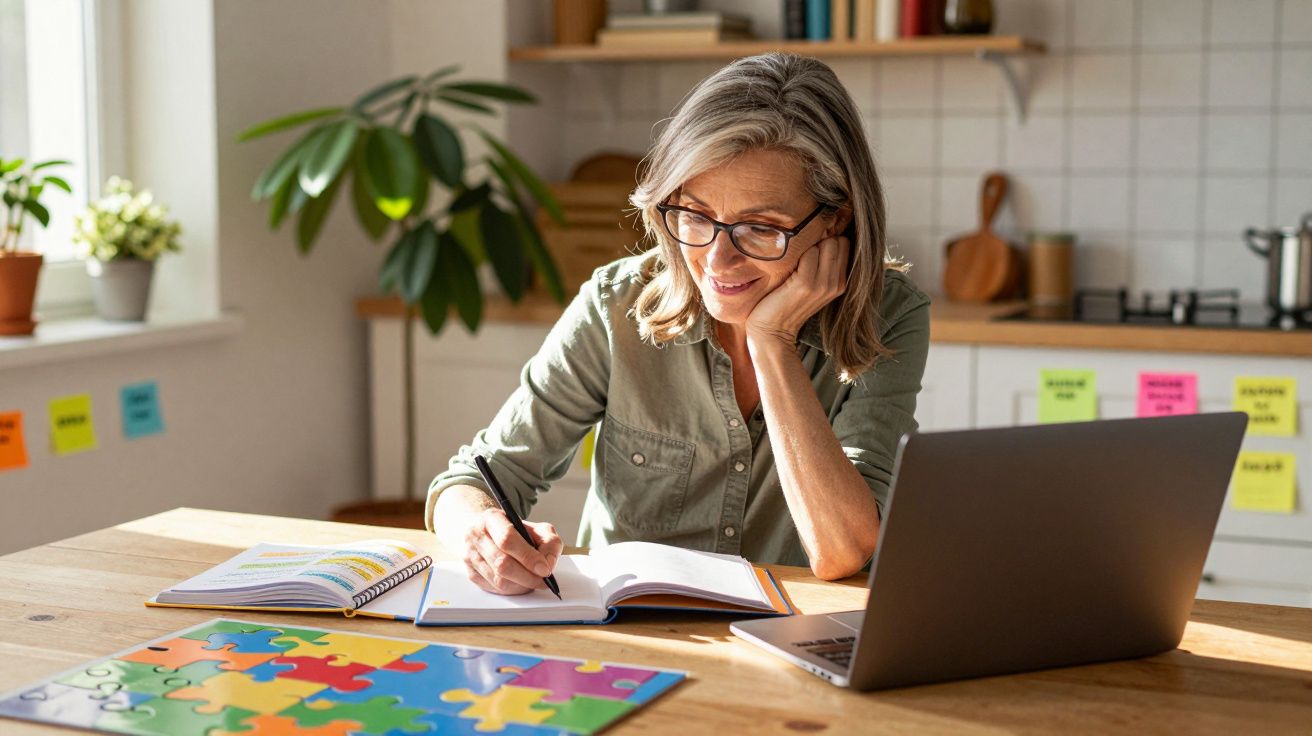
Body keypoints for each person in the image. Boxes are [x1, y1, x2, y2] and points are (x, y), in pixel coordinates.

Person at [427, 52, 930, 595]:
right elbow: (474, 480)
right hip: (631, 639)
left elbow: (844, 551)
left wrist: (771, 343)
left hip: (792, 647)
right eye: (693, 216)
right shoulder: (617, 304)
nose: (717, 261)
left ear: (837, 218)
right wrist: (481, 531)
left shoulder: (889, 317)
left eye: (760, 228)